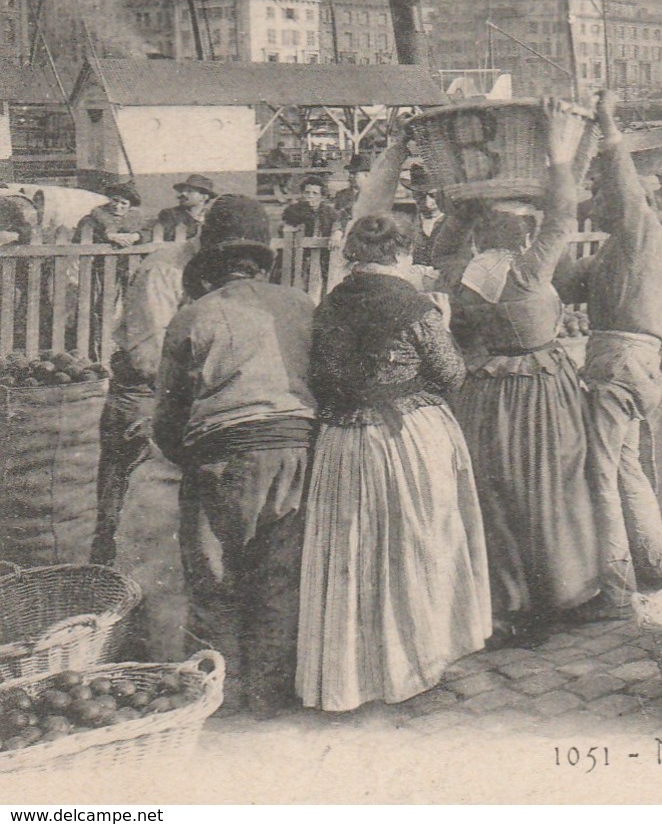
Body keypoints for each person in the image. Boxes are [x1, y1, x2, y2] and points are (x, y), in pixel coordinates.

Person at [298, 215, 491, 711]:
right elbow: (451, 374)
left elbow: (320, 375)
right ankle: (416, 661)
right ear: (403, 255)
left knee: (354, 553)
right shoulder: (412, 303)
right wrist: (443, 327)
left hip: (343, 442)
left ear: (352, 255)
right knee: (415, 544)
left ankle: (353, 676)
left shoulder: (330, 305)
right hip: (404, 439)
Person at [153, 196, 317, 714]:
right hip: (296, 450)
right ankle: (269, 696)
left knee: (215, 579)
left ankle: (217, 697)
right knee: (280, 579)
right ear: (260, 257)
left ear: (210, 263)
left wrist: (189, 461)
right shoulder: (300, 304)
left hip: (222, 456)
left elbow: (167, 415)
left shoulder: (191, 317)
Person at [450, 126, 595, 642]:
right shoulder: (528, 273)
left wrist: (461, 205)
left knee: (501, 495)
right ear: (517, 237)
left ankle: (511, 604)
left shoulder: (463, 275)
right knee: (553, 488)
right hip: (539, 391)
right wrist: (559, 157)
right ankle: (560, 595)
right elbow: (564, 217)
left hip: (485, 396)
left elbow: (442, 245)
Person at [572, 92, 662, 617]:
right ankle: (658, 566)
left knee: (601, 474)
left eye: (600, 193)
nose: (596, 201)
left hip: (617, 361)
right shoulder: (619, 247)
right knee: (629, 468)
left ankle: (615, 590)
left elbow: (623, 177)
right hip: (640, 363)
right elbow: (569, 284)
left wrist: (607, 123)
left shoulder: (640, 231)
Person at [91, 232, 199, 566]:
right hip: (143, 389)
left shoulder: (205, 270)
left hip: (177, 391)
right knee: (125, 490)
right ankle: (105, 575)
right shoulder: (164, 270)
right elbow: (150, 353)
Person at [75, 182, 146, 246]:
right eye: (115, 200)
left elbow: (150, 233)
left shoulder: (136, 219)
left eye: (124, 203)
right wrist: (108, 237)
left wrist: (137, 236)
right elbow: (79, 238)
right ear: (109, 200)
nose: (117, 206)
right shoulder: (91, 219)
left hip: (131, 259)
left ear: (130, 206)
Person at [150, 175, 215, 241]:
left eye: (189, 191)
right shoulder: (170, 214)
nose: (183, 194)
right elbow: (163, 233)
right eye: (181, 191)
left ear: (204, 197)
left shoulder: (213, 217)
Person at [407, 166, 447, 267]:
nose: (427, 204)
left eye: (433, 196)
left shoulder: (458, 222)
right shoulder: (408, 221)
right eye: (420, 196)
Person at [330, 154, 367, 227]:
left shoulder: (374, 196)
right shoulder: (341, 195)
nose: (350, 176)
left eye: (355, 173)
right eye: (350, 173)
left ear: (366, 176)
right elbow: (336, 219)